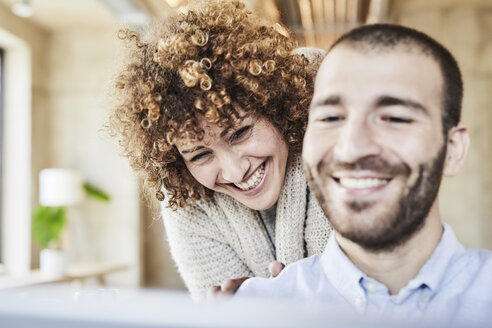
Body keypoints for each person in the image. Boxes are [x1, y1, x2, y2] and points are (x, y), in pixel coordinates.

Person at [236, 24, 492, 324]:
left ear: (452, 150)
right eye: (330, 117)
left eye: (394, 118)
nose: (351, 148)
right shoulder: (253, 313)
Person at [108, 0, 332, 299]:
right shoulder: (188, 199)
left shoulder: (334, 129)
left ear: (277, 105)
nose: (236, 172)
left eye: (240, 132)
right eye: (200, 155)